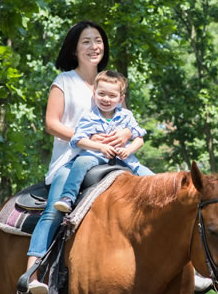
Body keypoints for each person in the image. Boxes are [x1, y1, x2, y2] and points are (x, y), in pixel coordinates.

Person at [24, 21, 134, 294]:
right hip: (71, 162)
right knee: (55, 209)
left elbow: (125, 120)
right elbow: (52, 123)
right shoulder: (64, 82)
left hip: (110, 161)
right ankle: (31, 272)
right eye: (86, 41)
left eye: (98, 40)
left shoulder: (109, 81)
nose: (94, 46)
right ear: (74, 49)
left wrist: (124, 134)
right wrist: (88, 141)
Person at [53, 70, 153, 213]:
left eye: (112, 96)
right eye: (102, 94)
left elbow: (139, 139)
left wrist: (128, 150)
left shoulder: (126, 116)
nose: (106, 99)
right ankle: (68, 197)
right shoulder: (89, 117)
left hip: (125, 158)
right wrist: (100, 147)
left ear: (121, 99)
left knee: (152, 178)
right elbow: (78, 139)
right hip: (96, 155)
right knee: (80, 163)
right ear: (94, 94)